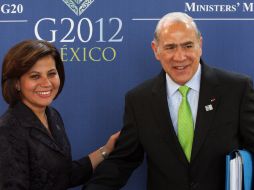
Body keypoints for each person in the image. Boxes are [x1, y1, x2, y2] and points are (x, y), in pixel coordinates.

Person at [83, 12, 254, 190]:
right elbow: (123, 161)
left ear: (200, 45)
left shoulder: (236, 89)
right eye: (170, 47)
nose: (180, 57)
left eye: (188, 45)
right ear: (155, 50)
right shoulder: (139, 100)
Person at [0, 40, 120, 190]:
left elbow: (63, 175)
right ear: (17, 83)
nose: (46, 83)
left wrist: (106, 150)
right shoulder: (7, 130)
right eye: (35, 76)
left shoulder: (52, 115)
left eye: (51, 74)